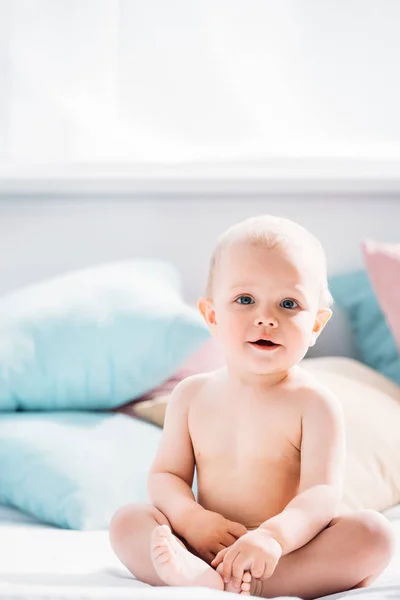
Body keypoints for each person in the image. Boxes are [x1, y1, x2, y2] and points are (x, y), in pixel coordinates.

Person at [109, 215, 395, 598]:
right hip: (206, 541)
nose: (266, 317)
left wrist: (273, 538)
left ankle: (255, 582)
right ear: (212, 315)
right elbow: (166, 476)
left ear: (315, 326)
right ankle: (196, 572)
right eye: (245, 300)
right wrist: (192, 521)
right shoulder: (191, 396)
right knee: (127, 522)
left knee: (373, 535)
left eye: (289, 304)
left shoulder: (315, 403)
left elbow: (321, 493)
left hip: (289, 548)